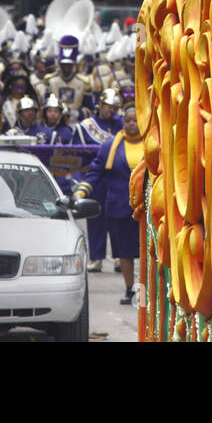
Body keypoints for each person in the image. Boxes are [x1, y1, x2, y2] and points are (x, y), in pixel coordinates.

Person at [73, 108, 145, 305]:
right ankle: (130, 289)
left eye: (135, 120)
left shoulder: (151, 144)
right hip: (119, 207)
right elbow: (95, 173)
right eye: (128, 120)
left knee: (147, 253)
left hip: (146, 209)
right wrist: (81, 192)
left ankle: (145, 292)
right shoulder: (109, 147)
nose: (131, 124)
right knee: (125, 253)